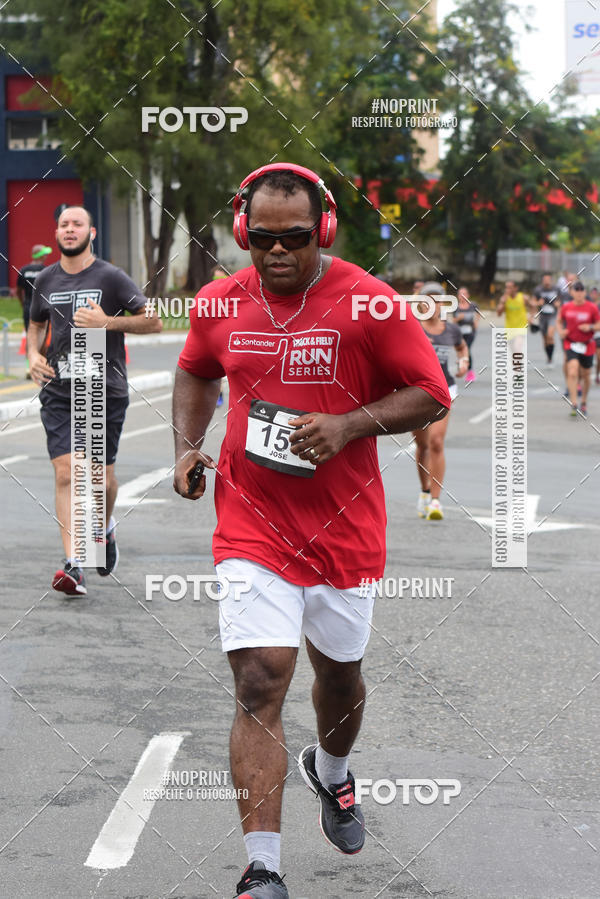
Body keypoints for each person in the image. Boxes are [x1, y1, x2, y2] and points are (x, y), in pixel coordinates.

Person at [172, 163, 451, 898]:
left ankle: (333, 772)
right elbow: (197, 370)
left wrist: (349, 423)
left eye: (294, 238)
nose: (275, 254)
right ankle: (263, 867)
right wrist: (186, 444)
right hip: (251, 524)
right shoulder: (218, 302)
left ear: (324, 229)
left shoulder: (371, 303)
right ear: (242, 232)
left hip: (342, 532)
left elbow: (430, 392)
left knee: (339, 677)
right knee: (261, 675)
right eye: (260, 239)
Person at [27, 205, 161, 596]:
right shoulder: (45, 280)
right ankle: (74, 565)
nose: (70, 230)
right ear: (57, 234)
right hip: (58, 390)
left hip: (103, 390)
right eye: (64, 225)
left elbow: (152, 321)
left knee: (100, 480)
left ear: (92, 232)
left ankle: (102, 528)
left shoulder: (111, 277)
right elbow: (35, 324)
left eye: (77, 224)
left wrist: (109, 322)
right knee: (67, 472)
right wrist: (34, 355)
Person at [414, 282, 469, 521]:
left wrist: (463, 362)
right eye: (429, 300)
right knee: (423, 445)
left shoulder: (452, 330)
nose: (433, 305)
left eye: (437, 300)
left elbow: (462, 348)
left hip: (445, 390)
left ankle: (436, 501)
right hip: (415, 393)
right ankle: (425, 491)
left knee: (436, 442)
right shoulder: (412, 329)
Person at [556, 280, 600, 418]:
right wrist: (561, 331)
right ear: (572, 292)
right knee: (573, 370)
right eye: (577, 289)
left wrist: (590, 327)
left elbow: (599, 323)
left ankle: (584, 401)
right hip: (571, 343)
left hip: (587, 344)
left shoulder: (592, 308)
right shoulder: (567, 307)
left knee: (586, 375)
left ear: (584, 292)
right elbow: (558, 320)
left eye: (582, 290)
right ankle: (574, 403)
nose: (579, 292)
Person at [16, 244, 52, 363]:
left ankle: (29, 366)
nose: (46, 256)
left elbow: (18, 291)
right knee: (43, 337)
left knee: (30, 337)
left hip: (28, 306)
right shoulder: (46, 271)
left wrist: (23, 304)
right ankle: (43, 364)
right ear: (40, 255)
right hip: (43, 308)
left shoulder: (23, 270)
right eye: (45, 253)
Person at [496, 280, 529, 364]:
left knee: (517, 349)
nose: (508, 289)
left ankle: (518, 373)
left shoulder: (523, 297)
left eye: (510, 287)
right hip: (509, 329)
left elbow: (532, 306)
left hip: (521, 328)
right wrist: (503, 302)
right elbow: (499, 313)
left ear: (515, 288)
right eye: (506, 287)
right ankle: (517, 371)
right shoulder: (504, 299)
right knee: (513, 352)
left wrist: (531, 317)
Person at [530, 272, 559, 367]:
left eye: (548, 280)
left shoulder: (556, 289)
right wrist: (538, 303)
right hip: (542, 316)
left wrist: (557, 304)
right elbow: (533, 303)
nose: (547, 282)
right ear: (542, 281)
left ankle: (551, 359)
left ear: (551, 280)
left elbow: (561, 302)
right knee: (545, 339)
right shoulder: (538, 290)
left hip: (553, 315)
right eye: (545, 280)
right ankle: (549, 358)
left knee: (550, 335)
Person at [453, 285, 479, 382]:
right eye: (460, 294)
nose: (462, 296)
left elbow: (478, 314)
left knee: (466, 349)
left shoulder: (473, 305)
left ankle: (470, 372)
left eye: (464, 294)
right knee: (460, 351)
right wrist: (458, 318)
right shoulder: (456, 307)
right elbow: (453, 321)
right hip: (459, 333)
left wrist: (476, 322)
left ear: (468, 295)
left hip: (470, 332)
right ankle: (462, 365)